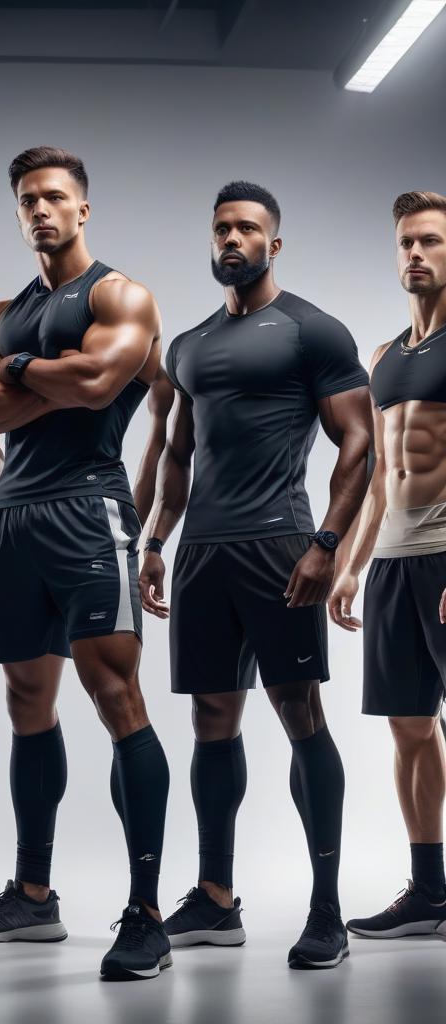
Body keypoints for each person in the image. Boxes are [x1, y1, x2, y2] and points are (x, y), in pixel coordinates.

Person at [0, 146, 172, 982]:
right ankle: (34, 896)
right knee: (26, 703)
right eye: (27, 201)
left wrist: (8, 374)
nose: (41, 210)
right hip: (11, 519)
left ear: (84, 209)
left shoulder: (120, 294)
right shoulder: (3, 309)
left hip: (90, 510)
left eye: (55, 197)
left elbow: (99, 380)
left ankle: (146, 913)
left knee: (117, 696)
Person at [139, 181, 372, 969]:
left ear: (275, 243)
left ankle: (328, 911)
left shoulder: (312, 331)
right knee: (212, 718)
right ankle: (215, 898)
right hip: (204, 552)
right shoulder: (189, 345)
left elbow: (358, 445)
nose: (231, 240)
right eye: (221, 229)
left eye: (247, 229)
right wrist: (156, 541)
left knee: (299, 711)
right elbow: (176, 451)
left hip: (281, 547)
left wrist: (327, 543)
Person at [330, 190, 446, 940]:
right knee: (409, 727)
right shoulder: (384, 356)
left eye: (431, 242)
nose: (416, 254)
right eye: (407, 242)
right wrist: (348, 564)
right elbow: (377, 475)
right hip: (395, 563)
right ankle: (430, 891)